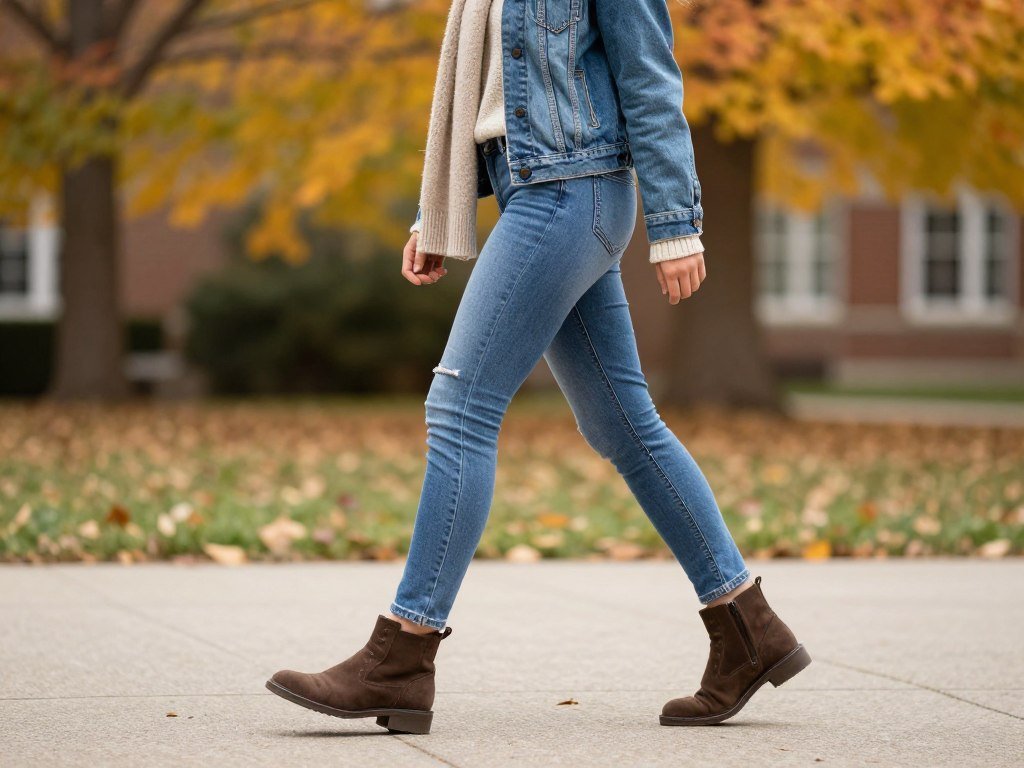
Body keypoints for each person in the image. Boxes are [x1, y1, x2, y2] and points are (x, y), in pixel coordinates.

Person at [267, 0, 810, 734]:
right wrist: (437, 212)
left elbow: (650, 78)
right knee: (624, 427)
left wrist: (677, 224)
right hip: (536, 190)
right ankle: (748, 627)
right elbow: (490, 98)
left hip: (570, 193)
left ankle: (403, 654)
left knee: (459, 410)